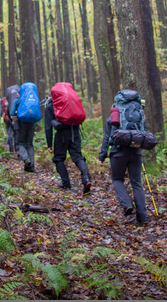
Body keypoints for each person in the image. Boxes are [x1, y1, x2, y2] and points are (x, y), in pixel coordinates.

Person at [98, 91, 148, 224]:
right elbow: (145, 132)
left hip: (118, 152)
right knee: (137, 183)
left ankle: (127, 204)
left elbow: (106, 138)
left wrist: (102, 156)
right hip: (136, 151)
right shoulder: (139, 114)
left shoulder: (114, 116)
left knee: (117, 179)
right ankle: (143, 217)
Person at [44, 97, 91, 193]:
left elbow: (48, 127)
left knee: (58, 158)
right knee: (78, 157)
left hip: (61, 135)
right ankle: (86, 179)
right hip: (75, 132)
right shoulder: (70, 103)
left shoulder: (51, 106)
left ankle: (66, 184)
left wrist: (49, 144)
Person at [10, 95, 36, 172]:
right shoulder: (32, 100)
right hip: (31, 123)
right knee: (29, 144)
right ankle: (32, 166)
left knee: (20, 143)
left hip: (21, 124)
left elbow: (12, 113)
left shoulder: (17, 100)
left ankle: (26, 159)